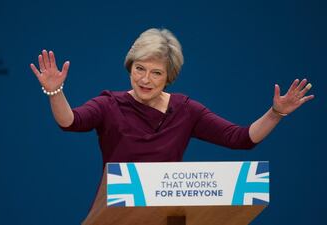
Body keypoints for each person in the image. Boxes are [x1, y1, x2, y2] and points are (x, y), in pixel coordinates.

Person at [30, 28, 314, 167]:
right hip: (115, 215)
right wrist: (55, 91)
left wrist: (276, 113)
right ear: (130, 67)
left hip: (168, 215)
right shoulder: (109, 104)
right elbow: (70, 121)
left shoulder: (186, 110)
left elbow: (241, 139)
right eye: (139, 69)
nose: (145, 79)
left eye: (156, 73)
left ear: (169, 77)